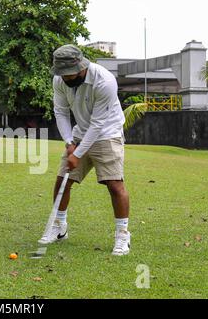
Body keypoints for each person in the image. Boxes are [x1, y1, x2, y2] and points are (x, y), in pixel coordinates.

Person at [39, 44, 131, 256]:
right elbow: (60, 112)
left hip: (107, 133)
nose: (65, 78)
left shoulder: (104, 81)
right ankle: (59, 227)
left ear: (81, 67)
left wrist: (77, 154)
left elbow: (98, 123)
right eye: (61, 74)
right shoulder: (59, 80)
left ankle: (122, 234)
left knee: (114, 184)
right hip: (79, 134)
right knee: (63, 179)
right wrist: (70, 143)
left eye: (69, 74)